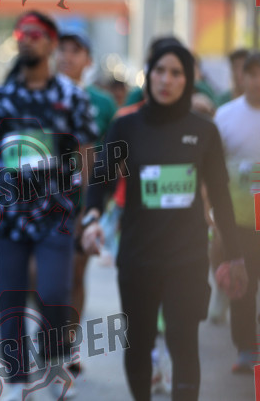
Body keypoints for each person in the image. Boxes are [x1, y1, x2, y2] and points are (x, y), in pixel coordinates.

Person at [82, 37, 248, 401]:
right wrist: (91, 218)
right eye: (159, 71)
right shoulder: (126, 127)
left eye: (176, 73)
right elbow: (101, 181)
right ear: (149, 75)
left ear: (187, 79)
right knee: (139, 341)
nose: (166, 80)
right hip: (138, 255)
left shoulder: (204, 131)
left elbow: (220, 195)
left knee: (182, 340)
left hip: (187, 256)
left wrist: (235, 255)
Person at [0, 12, 98, 401]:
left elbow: (87, 152)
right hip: (9, 216)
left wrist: (85, 207)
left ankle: (56, 362)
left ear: (51, 43)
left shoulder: (72, 98)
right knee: (10, 297)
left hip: (56, 214)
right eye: (22, 33)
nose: (27, 39)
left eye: (36, 34)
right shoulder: (0, 99)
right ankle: (16, 379)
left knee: (54, 292)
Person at [56, 32, 117, 322]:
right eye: (62, 49)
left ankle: (68, 339)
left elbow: (116, 152)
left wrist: (99, 201)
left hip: (82, 201)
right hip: (42, 200)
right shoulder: (39, 96)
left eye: (75, 51)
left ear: (88, 60)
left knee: (76, 271)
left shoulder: (102, 103)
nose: (67, 56)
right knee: (38, 274)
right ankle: (49, 328)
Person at [214, 51, 260, 374]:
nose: (257, 81)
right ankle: (245, 347)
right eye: (252, 73)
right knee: (243, 284)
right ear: (242, 76)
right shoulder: (226, 116)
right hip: (240, 221)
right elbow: (212, 170)